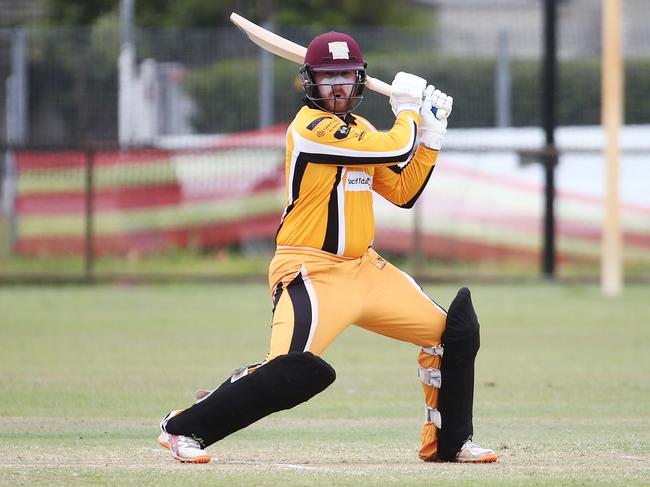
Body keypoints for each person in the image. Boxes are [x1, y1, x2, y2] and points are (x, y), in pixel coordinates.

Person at [158, 31, 497, 465]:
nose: (337, 86)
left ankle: (450, 443)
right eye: (327, 77)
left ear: (359, 81)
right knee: (288, 371)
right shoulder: (311, 128)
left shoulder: (359, 130)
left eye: (346, 76)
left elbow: (401, 191)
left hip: (365, 270)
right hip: (310, 271)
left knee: (451, 335)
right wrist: (411, 111)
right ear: (309, 82)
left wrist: (431, 136)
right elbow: (398, 145)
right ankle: (182, 426)